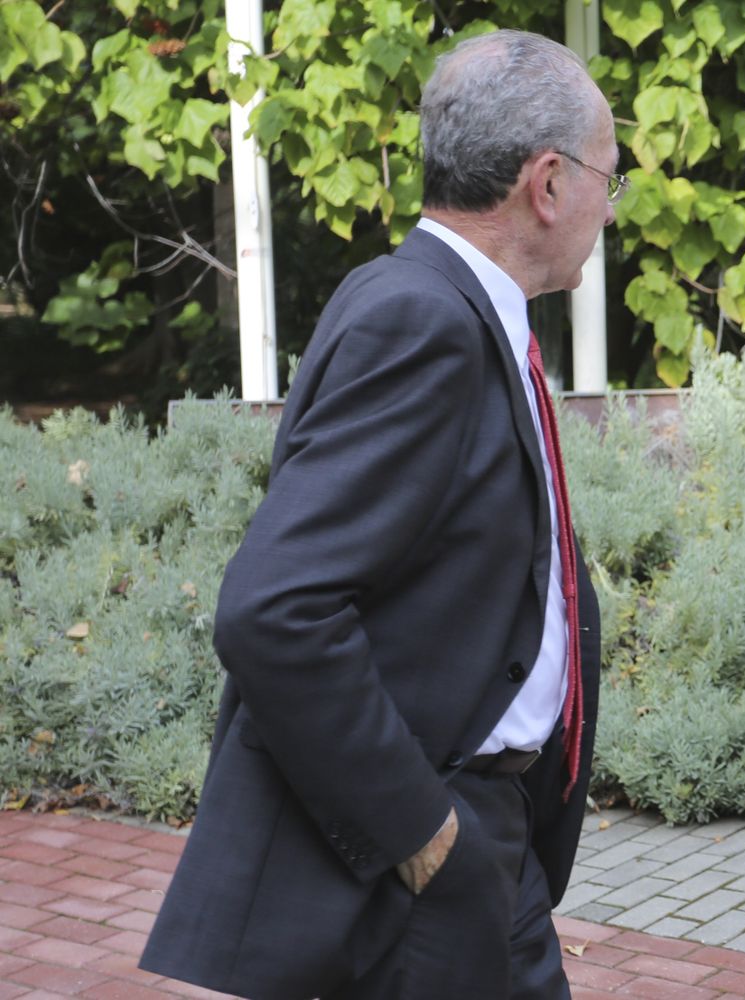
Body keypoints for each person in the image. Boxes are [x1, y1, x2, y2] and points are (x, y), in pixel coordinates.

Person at [139, 30, 614, 1000]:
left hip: (485, 839)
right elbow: (274, 609)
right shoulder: (424, 319)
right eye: (611, 178)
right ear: (548, 182)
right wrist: (423, 835)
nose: (612, 207)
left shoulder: (446, 304)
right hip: (422, 862)